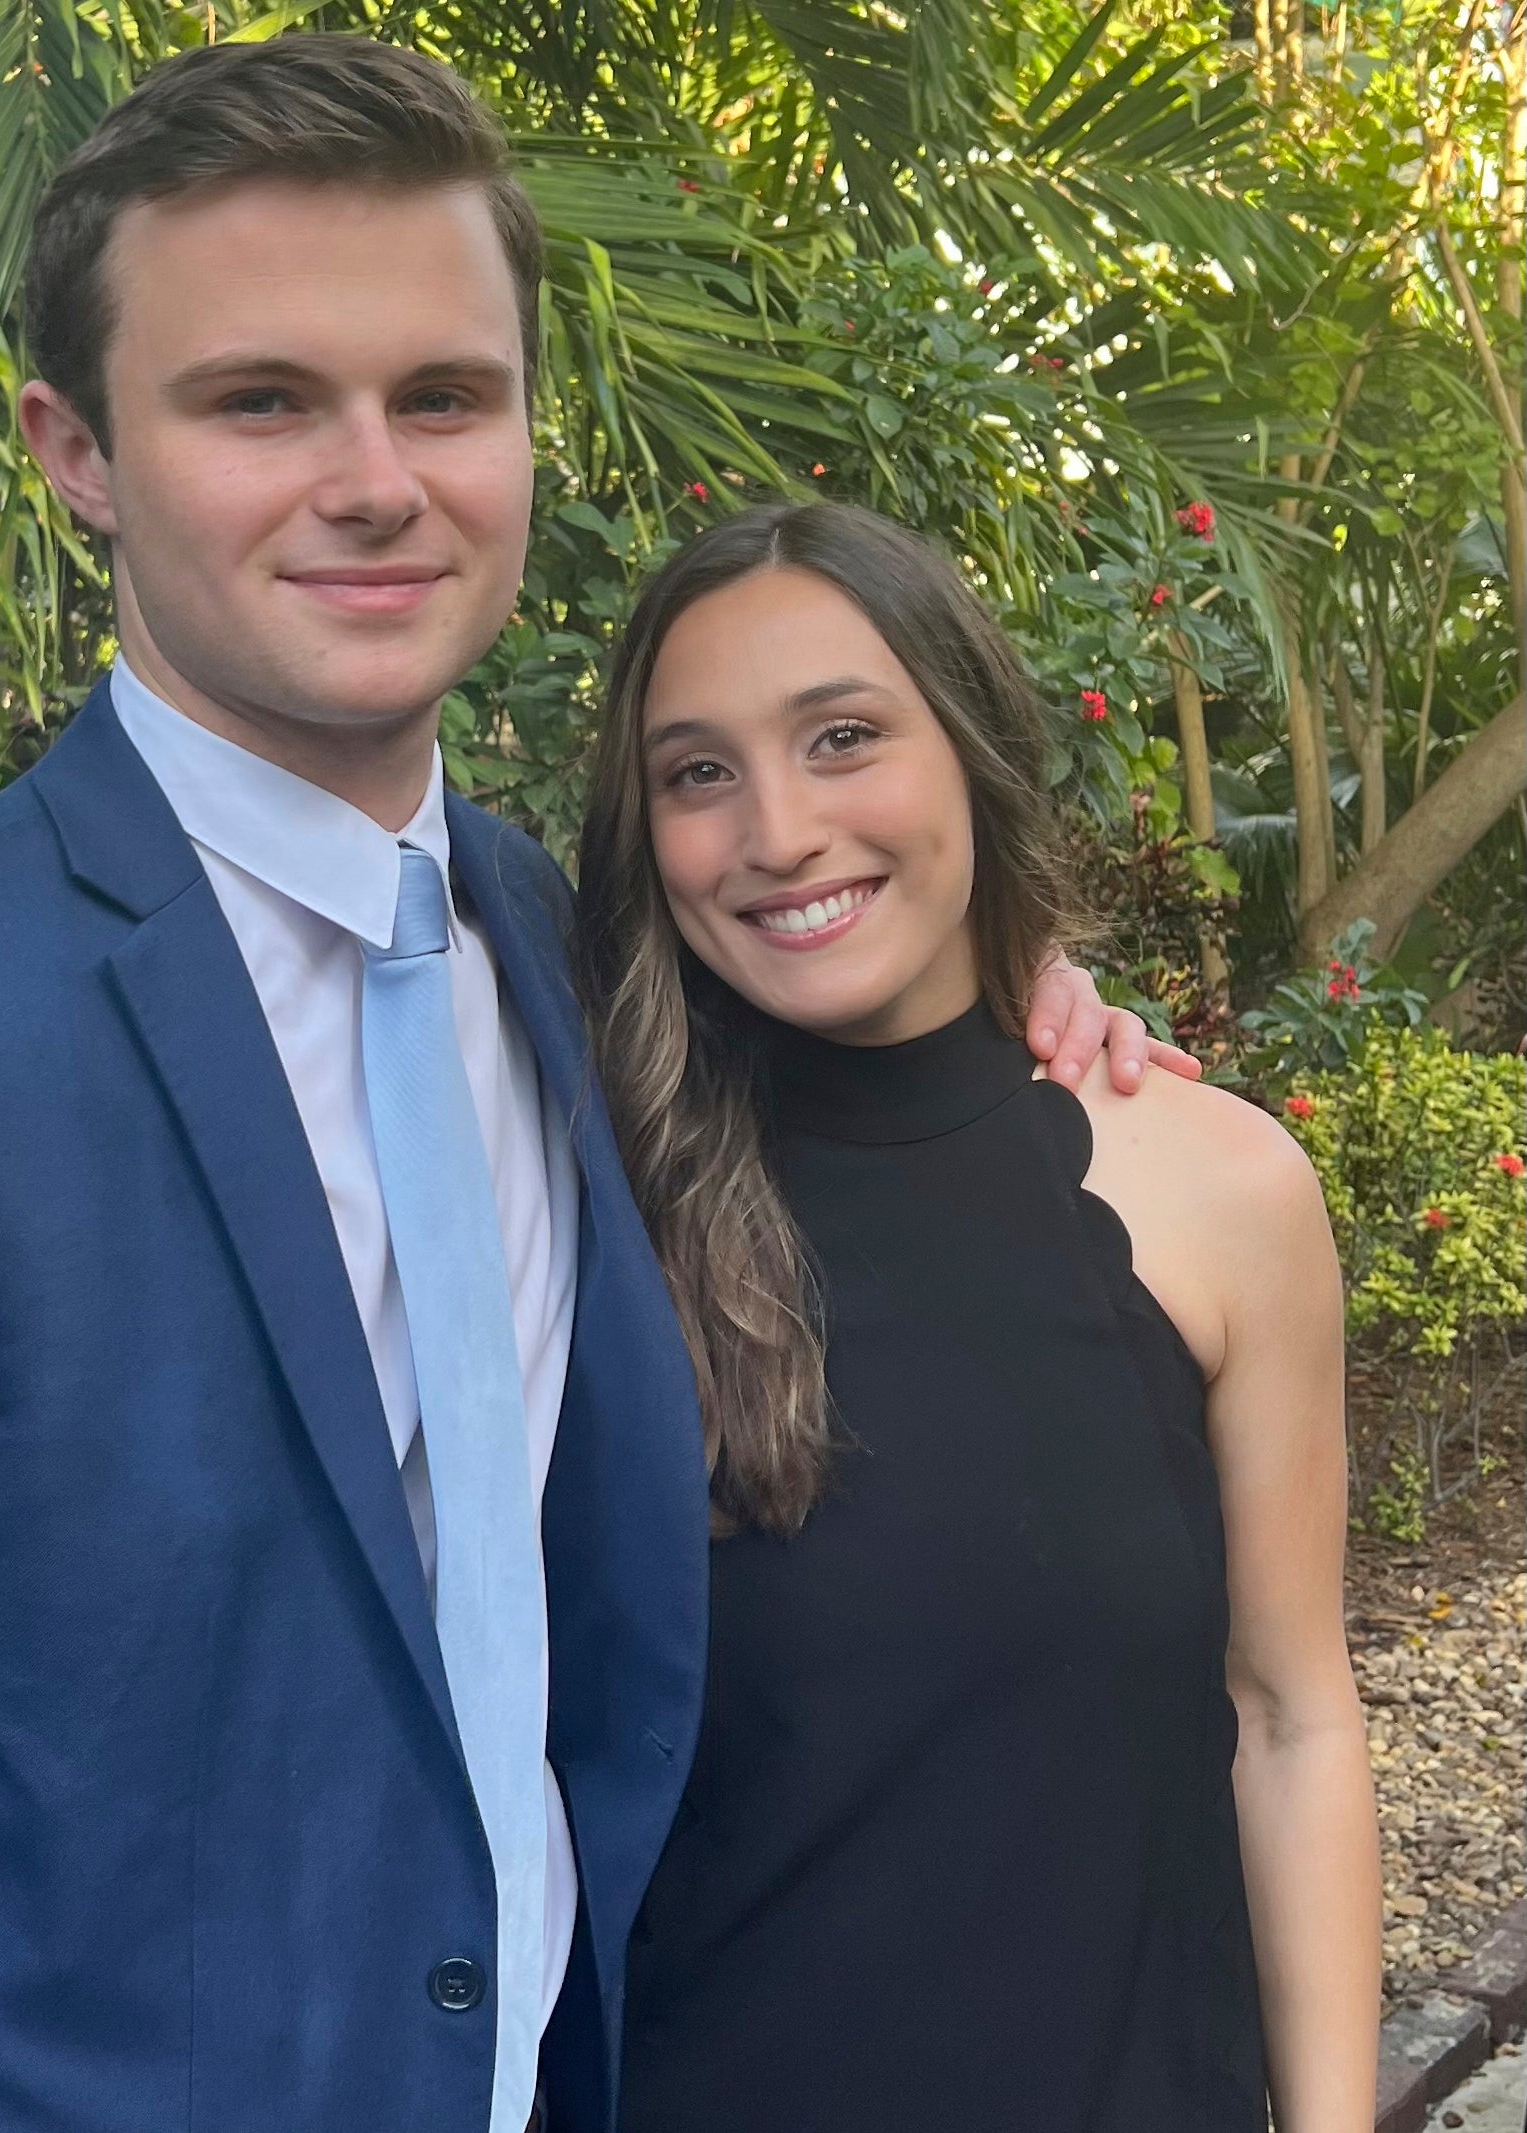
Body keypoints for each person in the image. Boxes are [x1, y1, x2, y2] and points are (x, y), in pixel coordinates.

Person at [0, 41, 1177, 2133]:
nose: (374, 476)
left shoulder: (565, 958)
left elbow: (853, 964)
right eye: (258, 400)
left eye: (443, 397)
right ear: (76, 450)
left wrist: (1028, 974)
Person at [576, 502, 1383, 2133]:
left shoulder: (1217, 1189)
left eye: (843, 735)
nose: (778, 828)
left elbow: (1286, 1715)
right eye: (697, 772)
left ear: (970, 743)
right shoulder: (582, 1196)